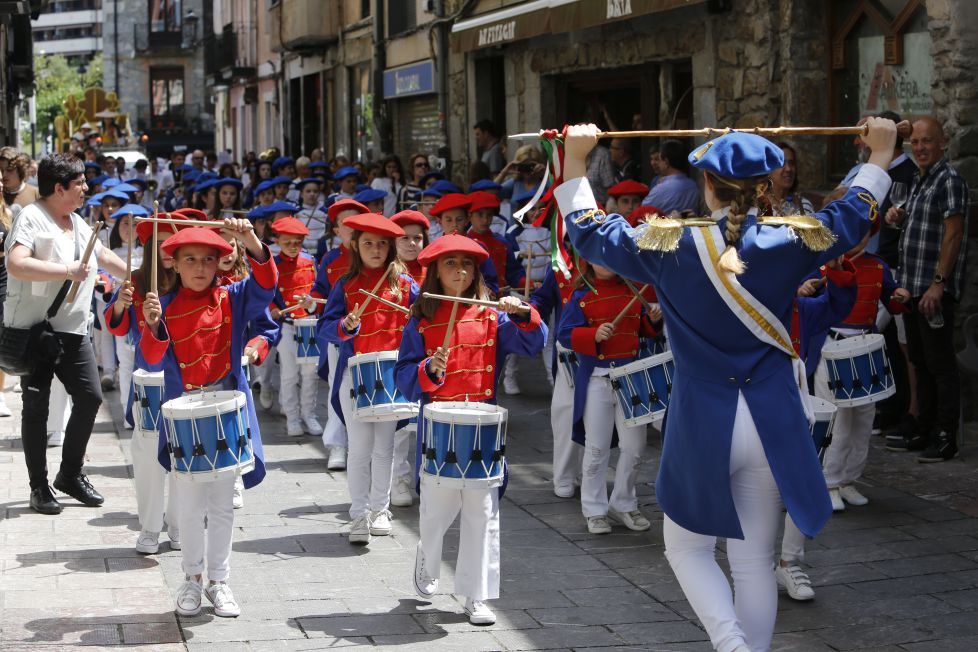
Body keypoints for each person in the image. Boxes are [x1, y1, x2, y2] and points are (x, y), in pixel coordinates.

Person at [556, 119, 897, 651]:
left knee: (687, 549)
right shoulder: (793, 238)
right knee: (754, 562)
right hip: (770, 420)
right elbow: (853, 214)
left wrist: (576, 158)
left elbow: (588, 231)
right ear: (766, 187)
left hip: (703, 420)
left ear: (707, 184)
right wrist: (880, 155)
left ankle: (730, 643)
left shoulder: (668, 243)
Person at [395, 234, 546, 626]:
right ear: (435, 272)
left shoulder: (492, 315)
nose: (460, 270)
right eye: (450, 263)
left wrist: (523, 313)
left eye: (467, 263)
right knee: (435, 512)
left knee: (482, 511)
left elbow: (533, 343)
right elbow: (403, 376)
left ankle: (475, 594)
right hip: (438, 426)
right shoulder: (421, 319)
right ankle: (428, 555)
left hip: (482, 424)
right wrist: (428, 370)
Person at [139, 220, 277, 618]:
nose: (200, 268)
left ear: (219, 263)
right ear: (174, 263)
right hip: (184, 413)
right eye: (190, 260)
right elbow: (151, 359)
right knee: (188, 505)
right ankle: (191, 578)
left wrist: (250, 239)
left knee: (221, 505)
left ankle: (220, 581)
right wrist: (152, 326)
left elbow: (266, 285)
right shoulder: (163, 306)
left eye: (207, 260)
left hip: (226, 407)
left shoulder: (233, 297)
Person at [5, 154, 129, 514]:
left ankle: (70, 475)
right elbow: (16, 263)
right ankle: (39, 487)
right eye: (80, 182)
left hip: (73, 330)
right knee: (36, 409)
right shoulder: (31, 217)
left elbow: (101, 254)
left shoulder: (76, 220)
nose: (86, 187)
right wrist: (66, 270)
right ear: (59, 188)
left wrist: (136, 275)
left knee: (90, 398)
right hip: (36, 332)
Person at [322, 214, 416, 544]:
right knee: (360, 448)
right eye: (368, 243)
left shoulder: (406, 285)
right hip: (356, 375)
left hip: (392, 374)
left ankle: (380, 510)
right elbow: (326, 327)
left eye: (382, 244)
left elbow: (425, 321)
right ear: (355, 246)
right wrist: (344, 327)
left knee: (385, 448)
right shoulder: (345, 284)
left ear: (390, 247)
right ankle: (359, 514)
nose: (375, 249)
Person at [884, 117, 969, 462]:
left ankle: (946, 437)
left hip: (932, 289)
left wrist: (939, 283)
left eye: (927, 141)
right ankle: (925, 429)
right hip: (913, 287)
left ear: (942, 143)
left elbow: (953, 233)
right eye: (915, 142)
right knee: (920, 361)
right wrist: (900, 218)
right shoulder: (920, 180)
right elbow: (926, 226)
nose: (919, 148)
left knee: (940, 364)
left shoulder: (949, 179)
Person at [558, 258, 658, 534]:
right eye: (597, 257)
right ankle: (594, 509)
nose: (604, 262)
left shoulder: (634, 289)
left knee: (635, 447)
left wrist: (652, 320)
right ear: (587, 261)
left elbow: (644, 329)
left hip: (631, 379)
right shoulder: (581, 295)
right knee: (597, 448)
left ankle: (624, 502)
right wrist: (592, 334)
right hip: (596, 379)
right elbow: (564, 334)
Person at [816, 222, 909, 511]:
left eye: (865, 230)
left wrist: (900, 297)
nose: (858, 236)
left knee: (864, 420)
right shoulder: (823, 261)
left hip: (866, 345)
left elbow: (891, 301)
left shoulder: (878, 265)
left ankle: (848, 480)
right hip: (833, 345)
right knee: (840, 420)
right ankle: (829, 482)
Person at [106, 210, 183, 554]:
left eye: (172, 243)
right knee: (148, 457)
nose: (167, 250)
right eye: (160, 244)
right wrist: (121, 305)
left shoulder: (190, 281)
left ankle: (179, 524)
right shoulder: (135, 282)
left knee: (184, 455)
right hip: (148, 378)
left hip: (183, 378)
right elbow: (117, 326)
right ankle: (150, 526)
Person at [313, 199, 370, 470]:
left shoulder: (377, 258)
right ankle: (337, 444)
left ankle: (368, 448)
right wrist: (311, 301)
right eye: (347, 224)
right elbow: (319, 289)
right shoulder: (331, 259)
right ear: (337, 230)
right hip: (341, 338)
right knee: (338, 388)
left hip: (372, 340)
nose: (353, 228)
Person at [269, 217, 322, 437]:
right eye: (287, 242)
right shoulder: (273, 265)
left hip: (308, 324)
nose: (293, 247)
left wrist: (313, 302)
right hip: (287, 326)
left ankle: (309, 415)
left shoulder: (310, 261)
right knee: (289, 374)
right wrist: (273, 308)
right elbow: (267, 293)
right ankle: (292, 417)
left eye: (297, 242)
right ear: (277, 241)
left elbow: (318, 289)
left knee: (310, 374)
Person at [640, 139, 701, 214]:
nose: (657, 164)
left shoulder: (660, 190)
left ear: (666, 161)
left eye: (659, 159)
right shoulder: (693, 186)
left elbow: (642, 212)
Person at [768, 144, 814, 215]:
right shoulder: (759, 206)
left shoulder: (804, 205)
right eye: (782, 163)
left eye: (791, 163)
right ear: (768, 169)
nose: (788, 169)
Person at [0, 148, 40, 217]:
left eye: (9, 169)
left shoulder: (36, 194)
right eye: (1, 170)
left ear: (20, 169)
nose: (4, 174)